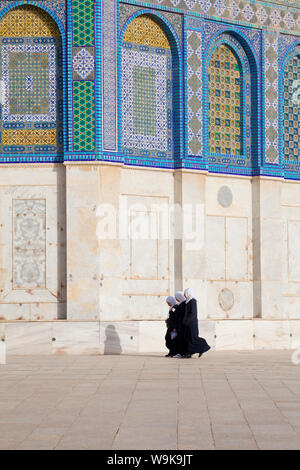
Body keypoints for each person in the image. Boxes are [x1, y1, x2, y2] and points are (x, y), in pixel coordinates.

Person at [182, 288, 210, 358]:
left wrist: (187, 321)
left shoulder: (192, 301)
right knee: (189, 338)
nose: (184, 295)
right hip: (188, 323)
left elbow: (192, 314)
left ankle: (204, 346)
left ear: (188, 293)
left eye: (185, 293)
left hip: (191, 324)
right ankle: (189, 353)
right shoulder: (188, 301)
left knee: (193, 338)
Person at [173, 291, 186, 358]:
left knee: (179, 339)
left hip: (180, 325)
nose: (176, 299)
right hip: (178, 325)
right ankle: (178, 352)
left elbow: (178, 316)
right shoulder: (181, 304)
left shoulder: (182, 305)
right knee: (176, 339)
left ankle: (180, 353)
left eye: (176, 297)